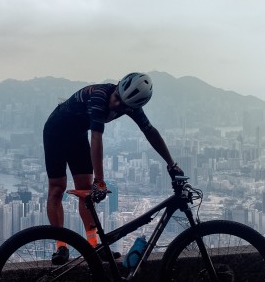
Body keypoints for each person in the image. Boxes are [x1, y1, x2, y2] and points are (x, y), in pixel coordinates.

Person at [42, 72, 182, 265]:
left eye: (124, 107)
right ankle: (60, 247)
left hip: (77, 137)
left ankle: (93, 247)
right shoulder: (99, 95)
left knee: (85, 192)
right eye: (117, 99)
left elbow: (150, 131)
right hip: (55, 132)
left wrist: (171, 163)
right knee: (57, 188)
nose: (117, 106)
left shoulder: (131, 105)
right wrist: (99, 180)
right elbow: (97, 137)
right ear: (117, 87)